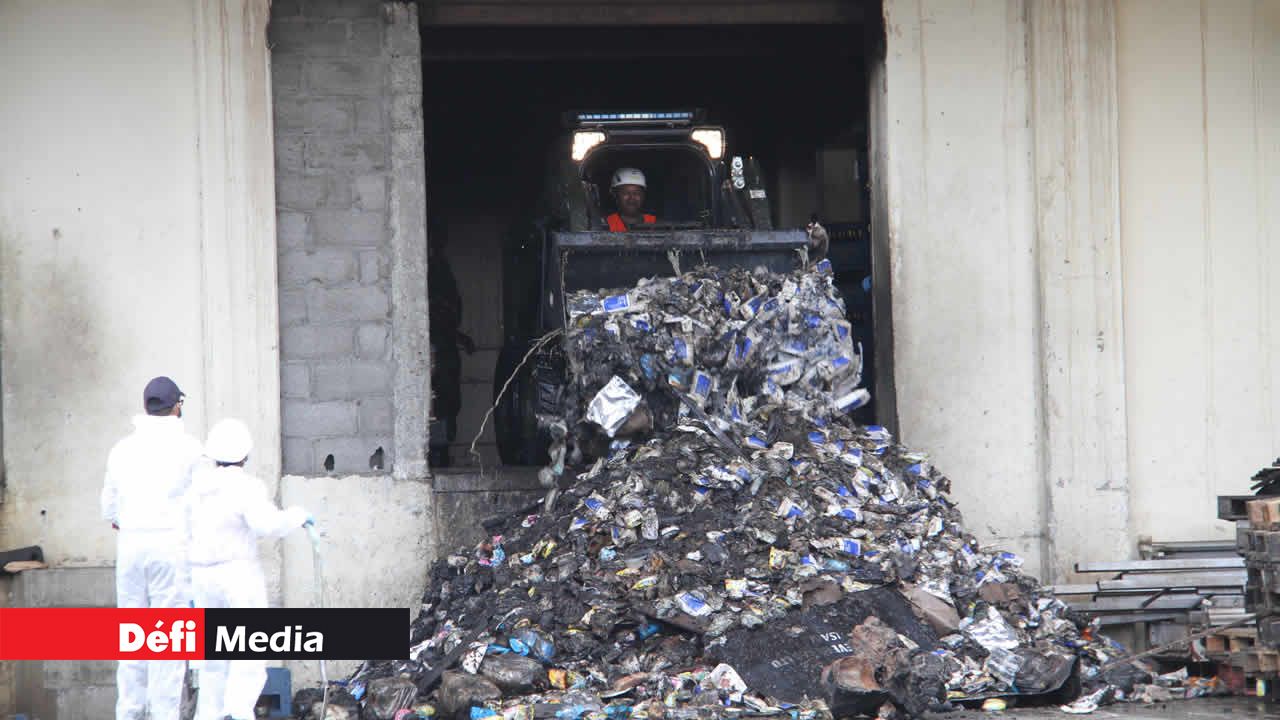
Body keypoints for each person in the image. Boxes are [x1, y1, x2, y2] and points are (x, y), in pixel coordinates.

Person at [186, 418, 312, 720]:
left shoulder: (196, 488)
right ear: (246, 454)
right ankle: (239, 713)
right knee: (249, 653)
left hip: (201, 577)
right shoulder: (246, 486)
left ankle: (210, 716)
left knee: (213, 658)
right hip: (237, 576)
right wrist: (298, 515)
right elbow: (266, 524)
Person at [102, 376, 205, 720]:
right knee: (167, 641)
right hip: (170, 548)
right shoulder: (191, 448)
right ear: (176, 406)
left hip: (131, 549)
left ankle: (129, 714)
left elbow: (109, 511)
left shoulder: (121, 449)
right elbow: (202, 504)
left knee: (133, 639)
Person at [428, 222, 475, 467]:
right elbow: (434, 311)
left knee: (448, 401)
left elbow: (446, 312)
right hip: (433, 346)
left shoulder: (440, 267)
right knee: (437, 400)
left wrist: (457, 337)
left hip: (445, 344)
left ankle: (442, 452)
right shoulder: (429, 269)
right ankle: (437, 454)